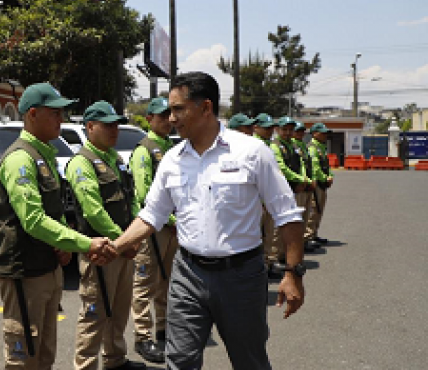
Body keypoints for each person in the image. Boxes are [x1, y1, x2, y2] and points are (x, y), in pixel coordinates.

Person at [107, 72, 306, 370]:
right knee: (180, 361)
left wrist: (292, 273)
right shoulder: (172, 160)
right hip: (187, 274)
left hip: (241, 276)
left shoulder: (251, 152)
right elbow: (152, 215)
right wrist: (115, 246)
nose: (171, 118)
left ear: (205, 107)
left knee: (249, 360)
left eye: (178, 109)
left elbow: (287, 216)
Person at [0, 83, 115, 370]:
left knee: (45, 353)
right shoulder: (20, 158)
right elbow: (33, 219)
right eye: (55, 113)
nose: (62, 119)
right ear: (32, 114)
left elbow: (52, 210)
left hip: (46, 267)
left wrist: (61, 243)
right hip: (24, 271)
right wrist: (84, 242)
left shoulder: (43, 154)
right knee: (25, 355)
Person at [65, 101, 145, 370]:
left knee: (120, 309)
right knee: (94, 314)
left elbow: (131, 199)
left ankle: (115, 360)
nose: (115, 130)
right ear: (90, 127)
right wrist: (124, 241)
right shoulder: (81, 163)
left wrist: (132, 236)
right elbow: (93, 210)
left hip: (123, 247)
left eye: (116, 124)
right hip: (101, 251)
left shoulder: (116, 159)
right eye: (107, 125)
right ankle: (86, 365)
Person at [128, 97, 177, 364]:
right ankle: (143, 337)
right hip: (153, 228)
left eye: (169, 115)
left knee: (166, 281)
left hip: (172, 228)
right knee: (144, 284)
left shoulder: (170, 147)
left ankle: (163, 329)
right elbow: (144, 193)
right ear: (149, 119)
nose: (167, 120)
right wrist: (171, 220)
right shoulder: (144, 150)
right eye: (160, 116)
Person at [271, 117, 314, 265]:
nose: (288, 132)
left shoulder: (292, 145)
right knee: (280, 225)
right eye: (285, 129)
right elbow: (281, 167)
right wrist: (300, 179)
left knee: (294, 222)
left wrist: (303, 178)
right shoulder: (275, 146)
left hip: (296, 188)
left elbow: (301, 163)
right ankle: (274, 256)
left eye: (291, 129)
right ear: (277, 130)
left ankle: (284, 255)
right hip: (282, 190)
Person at [252, 113, 281, 275]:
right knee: (259, 234)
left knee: (269, 232)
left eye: (271, 128)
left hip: (268, 197)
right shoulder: (255, 145)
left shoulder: (267, 145)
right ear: (256, 127)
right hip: (258, 200)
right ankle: (262, 266)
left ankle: (268, 263)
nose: (270, 131)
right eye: (266, 128)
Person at [305, 123, 333, 245]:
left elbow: (327, 165)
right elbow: (315, 167)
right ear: (314, 133)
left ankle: (314, 234)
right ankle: (308, 236)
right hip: (317, 184)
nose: (325, 135)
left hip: (323, 183)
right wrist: (324, 178)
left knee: (319, 210)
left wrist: (331, 175)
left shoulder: (321, 147)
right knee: (313, 210)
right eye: (322, 133)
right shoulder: (312, 147)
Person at [292, 122, 317, 252]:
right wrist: (303, 180)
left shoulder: (302, 145)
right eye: (297, 131)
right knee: (297, 217)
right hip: (298, 186)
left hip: (306, 184)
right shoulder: (292, 145)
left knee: (306, 215)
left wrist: (310, 179)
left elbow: (306, 165)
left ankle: (303, 241)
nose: (300, 133)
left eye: (302, 131)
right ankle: (296, 244)